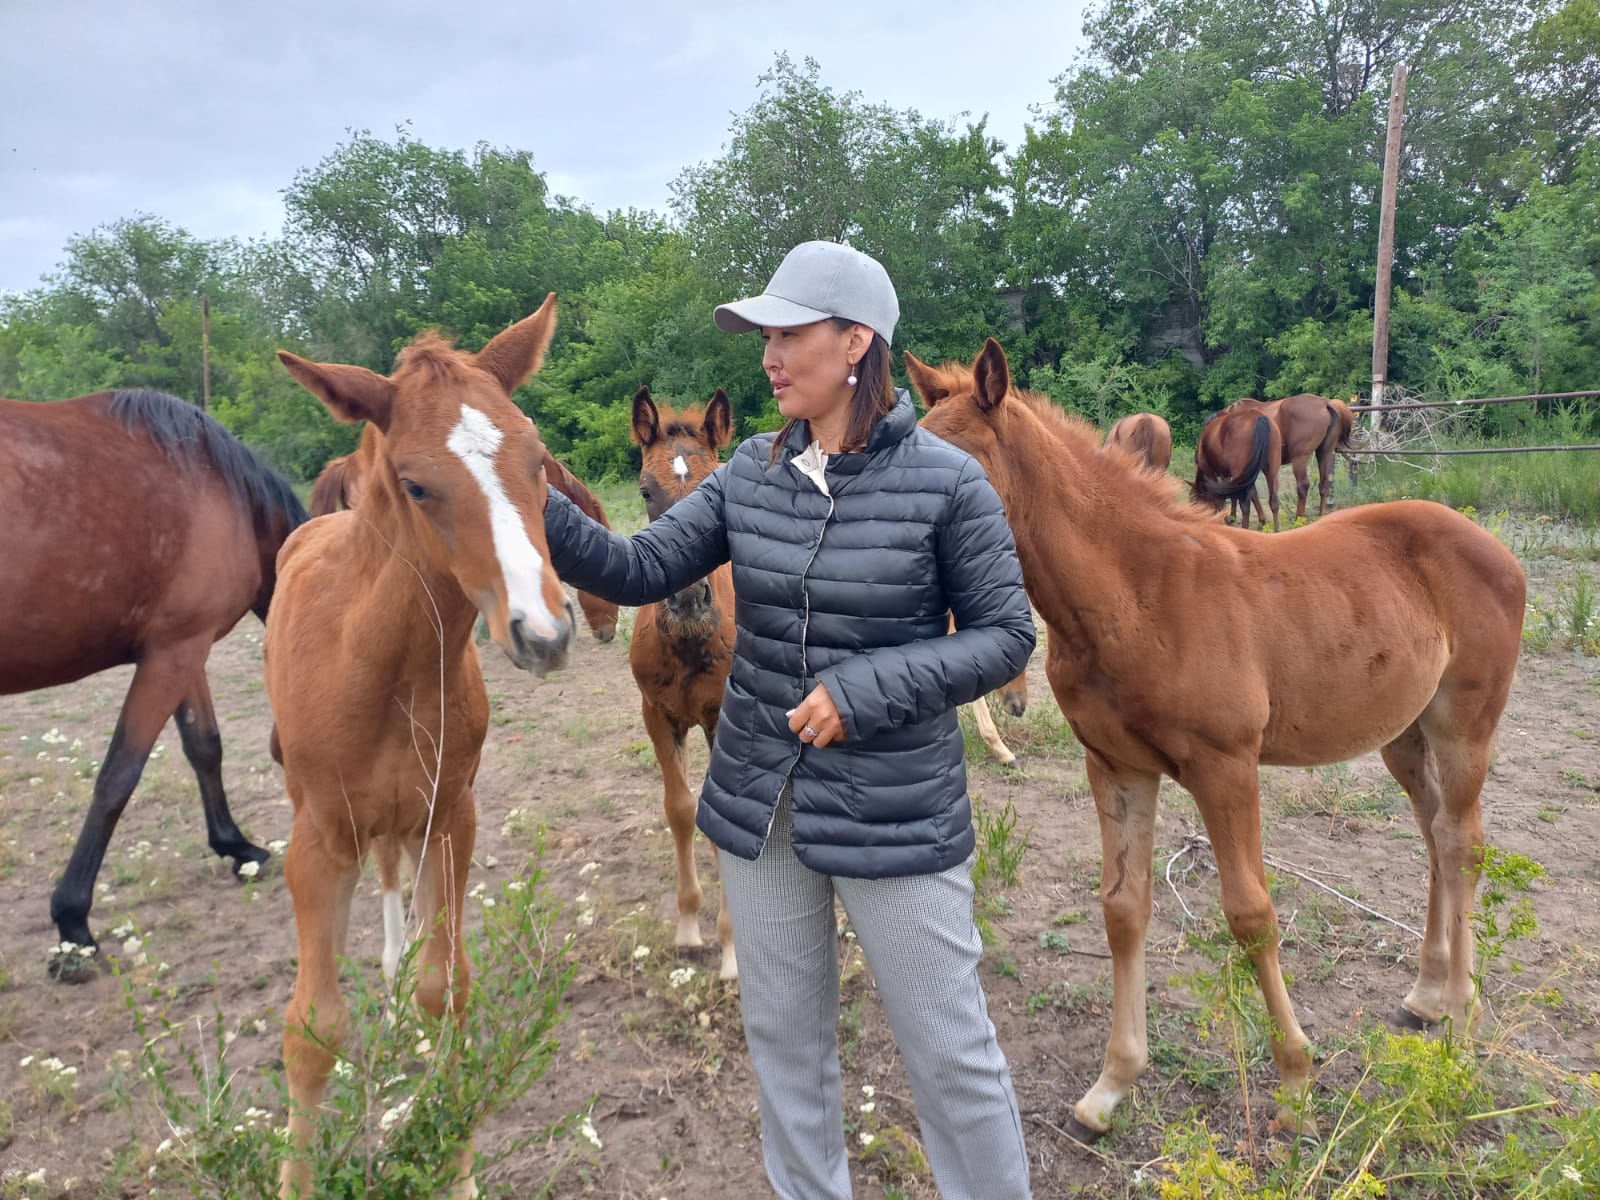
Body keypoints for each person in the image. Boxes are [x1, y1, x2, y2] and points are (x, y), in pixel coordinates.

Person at [543, 240, 1034, 1199]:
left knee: (949, 1056)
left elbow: (1006, 637)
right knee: (785, 1047)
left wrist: (862, 693)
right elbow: (640, 570)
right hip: (757, 808)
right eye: (762, 336)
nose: (767, 356)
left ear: (857, 343)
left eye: (787, 333)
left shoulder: (946, 483)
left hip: (894, 810)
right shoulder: (744, 478)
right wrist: (530, 483)